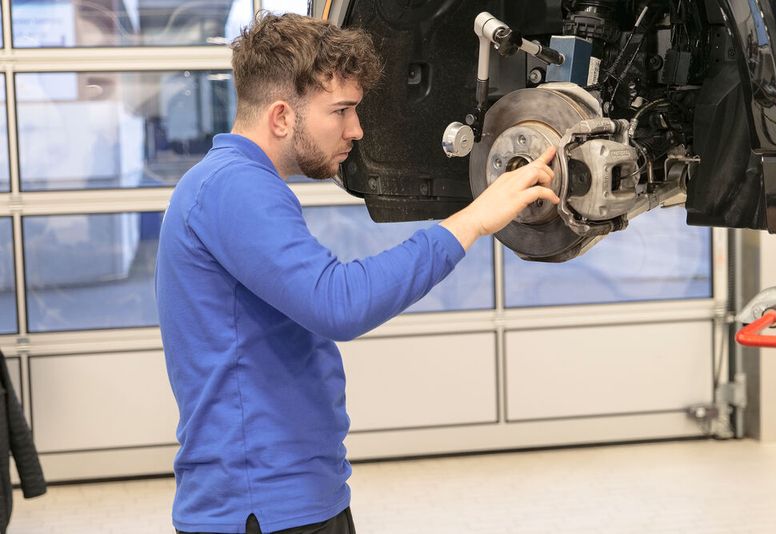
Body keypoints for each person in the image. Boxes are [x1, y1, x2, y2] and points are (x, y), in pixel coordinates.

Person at [155, 11, 559, 534]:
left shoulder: (228, 183)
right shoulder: (235, 187)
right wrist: (473, 220)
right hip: (264, 507)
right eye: (341, 110)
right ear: (281, 116)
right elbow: (338, 302)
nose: (357, 129)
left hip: (285, 496)